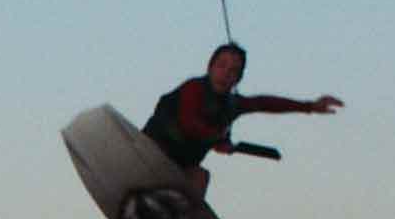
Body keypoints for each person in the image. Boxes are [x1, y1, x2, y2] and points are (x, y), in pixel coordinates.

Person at [141, 42, 342, 202]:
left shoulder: (233, 105)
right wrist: (218, 140)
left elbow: (265, 103)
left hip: (179, 166)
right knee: (183, 157)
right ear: (210, 67)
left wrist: (310, 106)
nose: (225, 73)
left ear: (238, 79)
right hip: (151, 151)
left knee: (201, 177)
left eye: (233, 71)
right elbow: (189, 122)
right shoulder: (193, 88)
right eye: (221, 66)